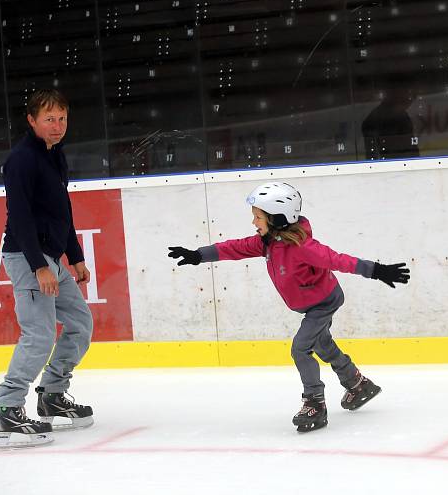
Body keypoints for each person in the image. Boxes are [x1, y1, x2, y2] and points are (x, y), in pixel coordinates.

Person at [168, 182, 410, 432]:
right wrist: (198, 255)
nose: (254, 223)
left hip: (324, 303)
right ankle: (357, 384)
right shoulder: (268, 242)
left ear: (276, 218)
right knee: (322, 344)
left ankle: (315, 402)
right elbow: (235, 247)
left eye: (258, 217)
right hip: (310, 305)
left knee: (300, 349)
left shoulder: (303, 247)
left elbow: (338, 260)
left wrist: (377, 270)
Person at [0, 89, 94, 449]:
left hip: (50, 257)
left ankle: (51, 392)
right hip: (27, 256)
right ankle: (7, 406)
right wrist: (38, 266)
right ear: (31, 120)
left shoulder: (55, 155)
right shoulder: (21, 160)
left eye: (62, 118)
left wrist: (75, 256)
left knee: (81, 324)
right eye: (49, 118)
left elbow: (60, 212)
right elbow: (18, 215)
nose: (58, 125)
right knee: (38, 334)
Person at [361, 87, 420, 160]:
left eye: (411, 98)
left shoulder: (403, 116)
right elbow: (372, 157)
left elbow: (411, 149)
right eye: (408, 98)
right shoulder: (374, 120)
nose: (409, 101)